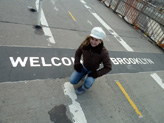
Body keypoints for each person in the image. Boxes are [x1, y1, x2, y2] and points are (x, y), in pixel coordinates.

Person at [70, 27, 112, 95]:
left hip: (93, 70)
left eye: (96, 40)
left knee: (88, 82)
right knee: (72, 81)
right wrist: (77, 63)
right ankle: (83, 74)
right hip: (84, 66)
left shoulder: (104, 52)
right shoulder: (85, 44)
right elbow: (78, 53)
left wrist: (96, 74)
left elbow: (108, 67)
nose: (93, 42)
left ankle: (83, 88)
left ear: (100, 41)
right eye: (92, 39)